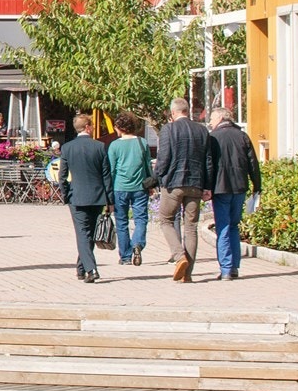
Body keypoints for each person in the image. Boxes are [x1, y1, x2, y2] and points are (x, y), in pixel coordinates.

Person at [151, 96, 220, 283]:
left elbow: (164, 158)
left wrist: (154, 179)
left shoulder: (169, 129)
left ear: (173, 113)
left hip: (173, 183)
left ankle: (179, 256)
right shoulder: (201, 130)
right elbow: (208, 161)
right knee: (191, 228)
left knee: (165, 220)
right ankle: (187, 275)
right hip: (196, 184)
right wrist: (208, 186)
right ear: (187, 111)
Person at [208, 107, 261, 282]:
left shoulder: (214, 137)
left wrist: (206, 187)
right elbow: (253, 163)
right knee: (233, 226)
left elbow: (208, 164)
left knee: (223, 227)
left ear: (221, 118)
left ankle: (226, 269)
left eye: (212, 119)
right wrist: (257, 186)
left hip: (220, 188)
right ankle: (235, 267)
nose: (210, 122)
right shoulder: (242, 136)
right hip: (239, 186)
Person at [57, 114, 111, 283]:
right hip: (97, 196)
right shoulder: (100, 147)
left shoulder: (67, 148)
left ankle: (90, 269)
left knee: (83, 234)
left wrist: (66, 195)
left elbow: (62, 176)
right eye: (92, 126)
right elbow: (107, 176)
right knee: (90, 233)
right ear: (87, 127)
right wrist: (110, 200)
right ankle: (83, 268)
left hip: (77, 196)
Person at [106, 111, 151, 266]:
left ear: (119, 127)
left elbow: (111, 169)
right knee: (141, 218)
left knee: (122, 221)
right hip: (139, 187)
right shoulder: (142, 142)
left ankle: (125, 256)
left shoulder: (114, 145)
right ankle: (137, 243)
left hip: (120, 187)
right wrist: (151, 185)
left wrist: (108, 190)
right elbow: (147, 166)